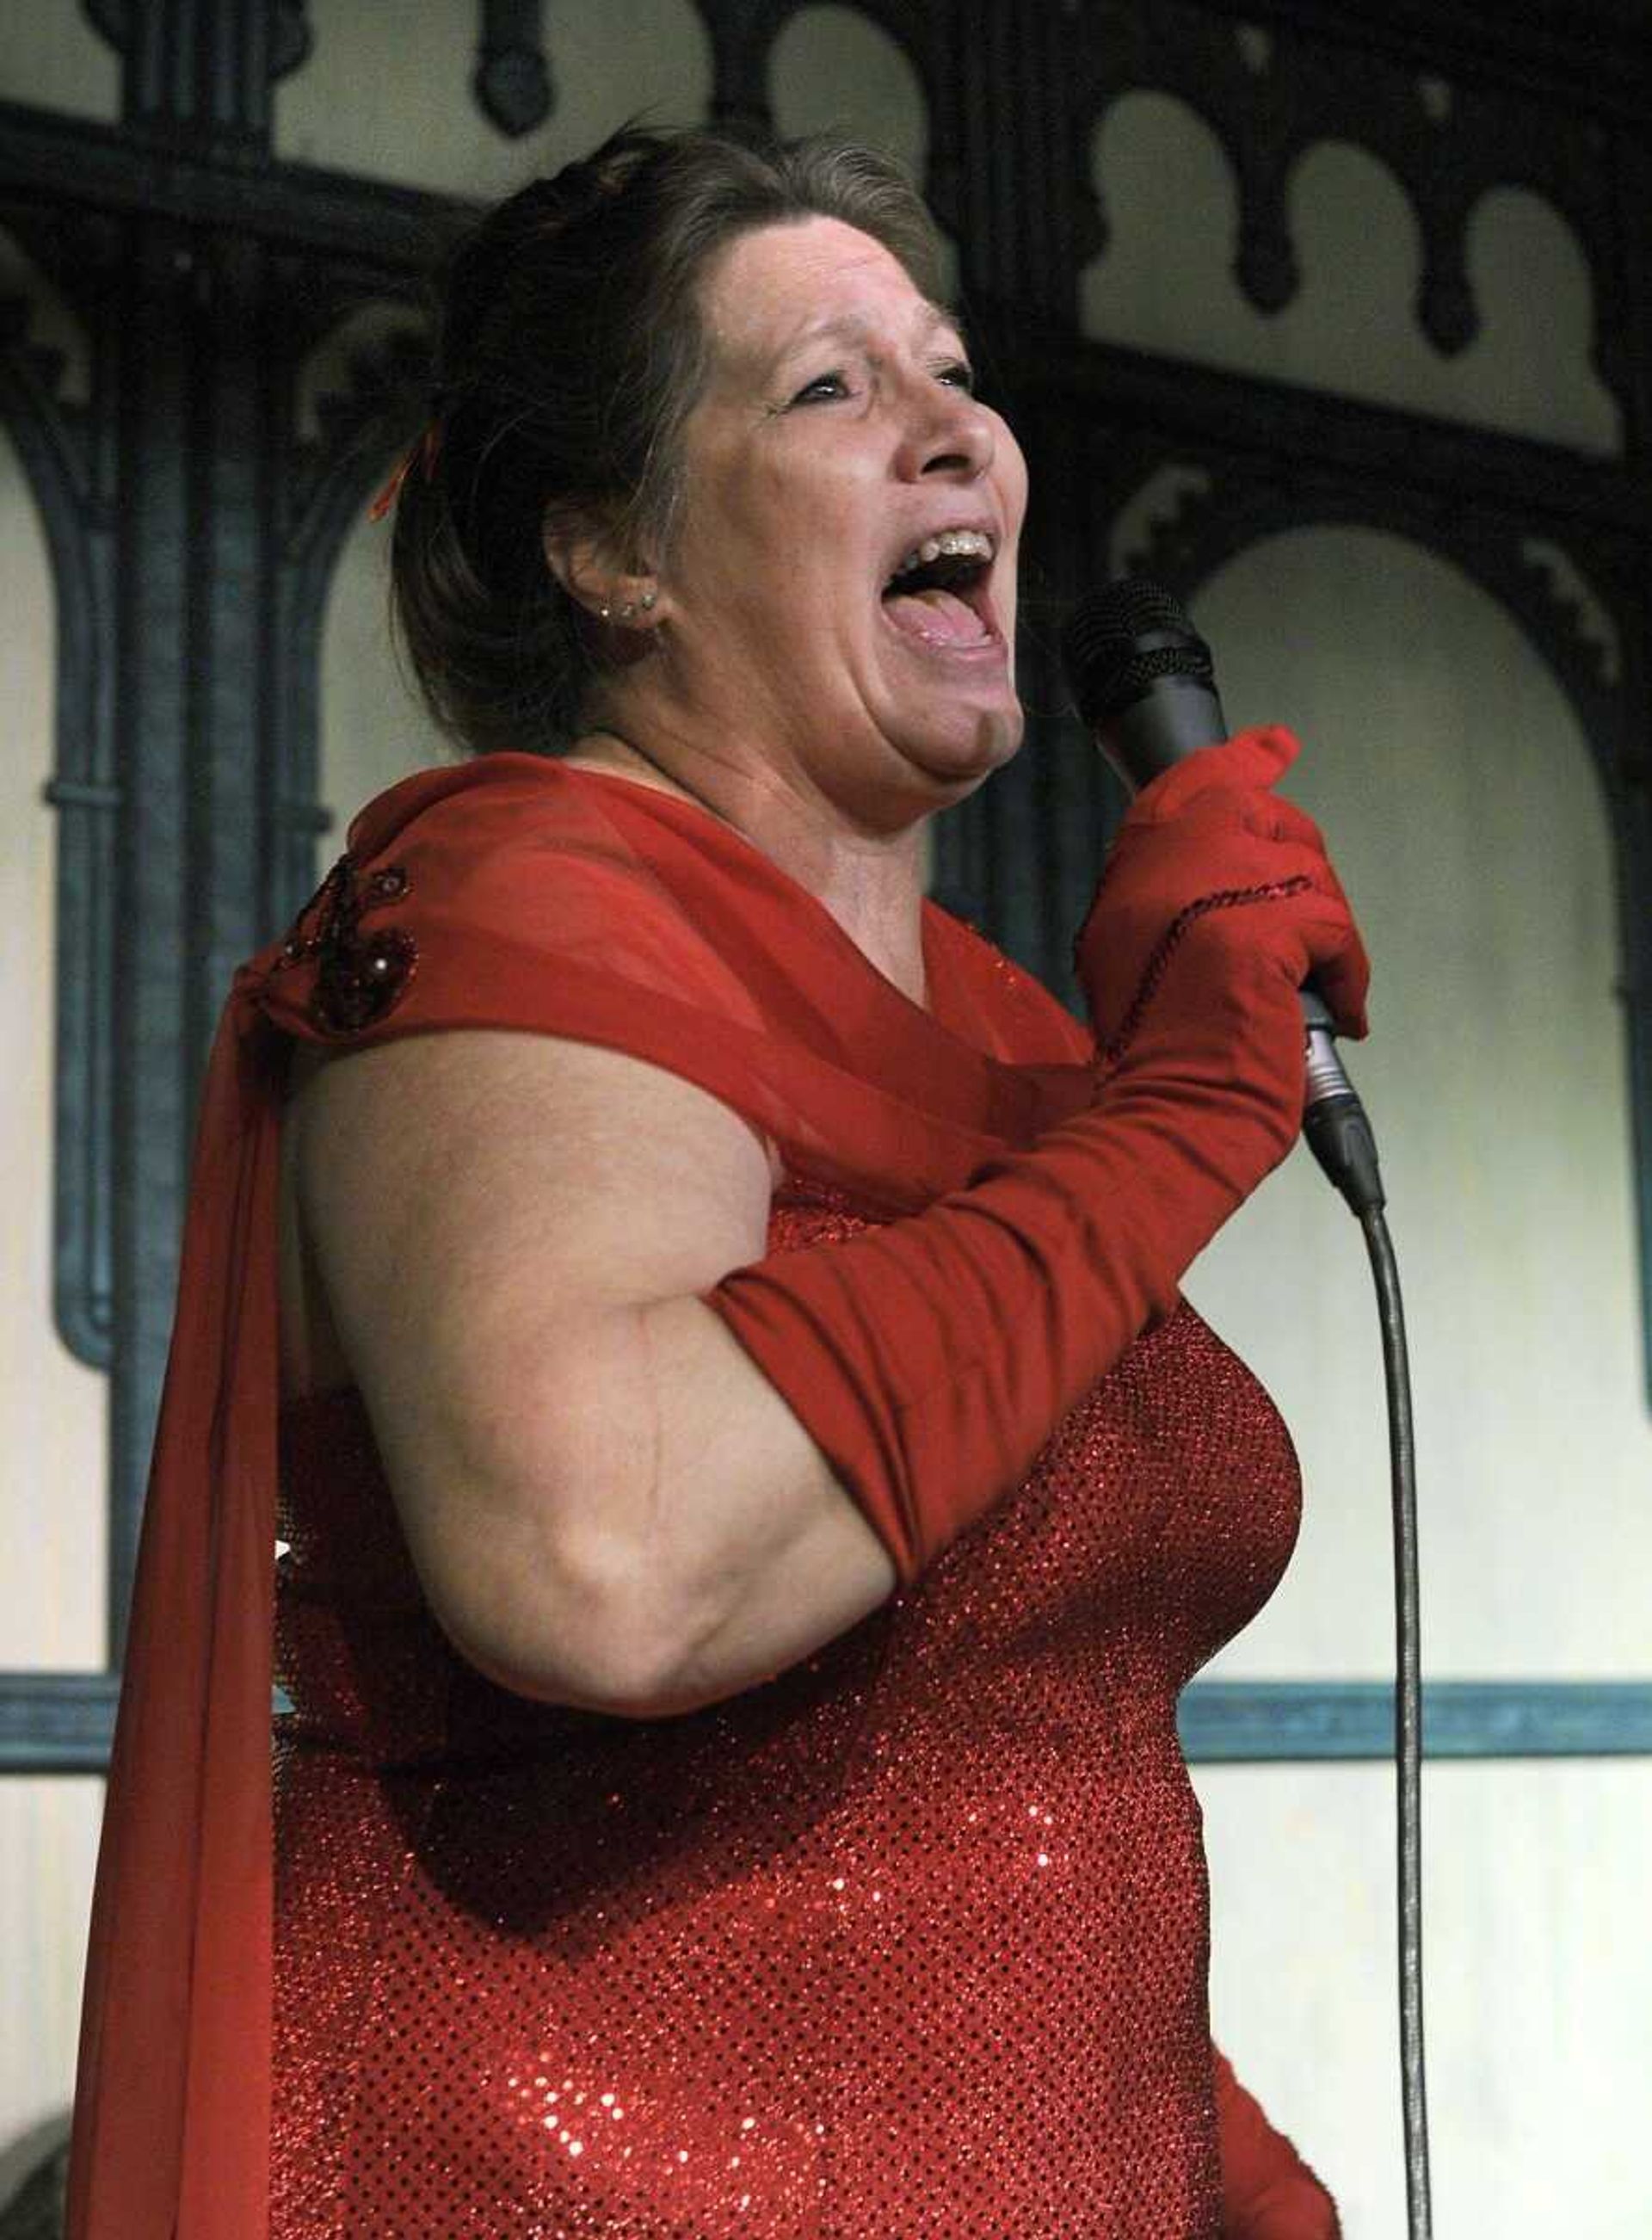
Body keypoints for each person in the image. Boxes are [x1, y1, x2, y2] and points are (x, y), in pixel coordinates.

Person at [68, 128, 1365, 2238]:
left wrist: (1212, 2161)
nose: (958, 431)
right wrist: (1191, 1106)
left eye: (956, 374)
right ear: (612, 551)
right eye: (835, 390)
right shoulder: (516, 897)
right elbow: (611, 1554)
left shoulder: (1006, 1039)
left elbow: (977, 1759)